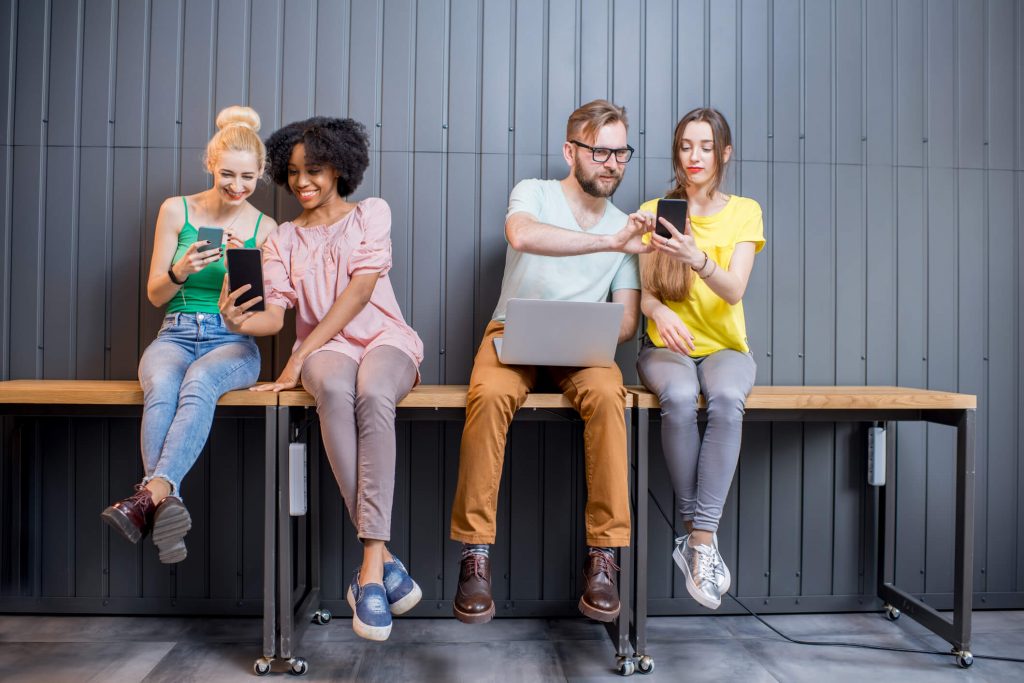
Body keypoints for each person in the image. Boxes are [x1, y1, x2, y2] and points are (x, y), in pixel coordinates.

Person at [449, 99, 655, 624]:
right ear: (571, 151)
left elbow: (627, 322)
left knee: (611, 395)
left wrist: (604, 317)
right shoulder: (534, 193)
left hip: (583, 343)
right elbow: (521, 235)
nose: (612, 163)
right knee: (490, 395)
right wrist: (606, 242)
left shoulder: (627, 231)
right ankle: (475, 557)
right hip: (512, 328)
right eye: (600, 151)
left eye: (621, 152)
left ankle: (604, 557)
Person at [219, 116, 423, 642]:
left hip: (384, 338)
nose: (302, 181)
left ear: (340, 166)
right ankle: (379, 565)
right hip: (325, 352)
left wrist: (295, 358)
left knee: (373, 391)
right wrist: (237, 316)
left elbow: (359, 293)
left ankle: (370, 568)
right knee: (333, 388)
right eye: (292, 172)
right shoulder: (282, 238)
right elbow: (276, 316)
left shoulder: (371, 213)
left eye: (314, 169)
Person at [101, 106, 277, 563]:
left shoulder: (266, 229)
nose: (237, 187)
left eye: (247, 178)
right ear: (210, 167)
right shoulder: (176, 209)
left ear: (261, 174)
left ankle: (146, 496)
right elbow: (155, 294)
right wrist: (181, 269)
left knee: (199, 382)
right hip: (175, 332)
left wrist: (241, 273)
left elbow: (263, 313)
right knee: (161, 384)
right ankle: (164, 503)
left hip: (232, 342)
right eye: (227, 175)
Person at [636, 107, 765, 610]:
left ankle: (698, 540)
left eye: (706, 147)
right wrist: (658, 314)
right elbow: (643, 293)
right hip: (666, 349)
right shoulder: (657, 207)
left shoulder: (745, 211)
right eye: (686, 146)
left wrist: (697, 258)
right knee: (680, 395)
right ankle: (701, 542)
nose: (695, 156)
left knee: (729, 397)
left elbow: (733, 290)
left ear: (724, 153)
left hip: (726, 348)